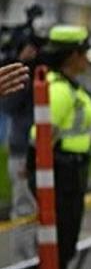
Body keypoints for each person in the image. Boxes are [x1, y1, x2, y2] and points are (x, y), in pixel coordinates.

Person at [26, 26, 91, 269]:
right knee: (57, 250)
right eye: (84, 52)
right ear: (72, 56)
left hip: (72, 175)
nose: (87, 58)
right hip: (60, 175)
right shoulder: (59, 91)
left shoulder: (73, 88)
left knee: (64, 248)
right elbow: (40, 137)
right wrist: (37, 175)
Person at [2, 35, 42, 220]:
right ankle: (23, 250)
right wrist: (22, 66)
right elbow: (9, 107)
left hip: (41, 151)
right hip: (21, 152)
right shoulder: (19, 79)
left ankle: (34, 249)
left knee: (40, 210)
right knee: (25, 210)